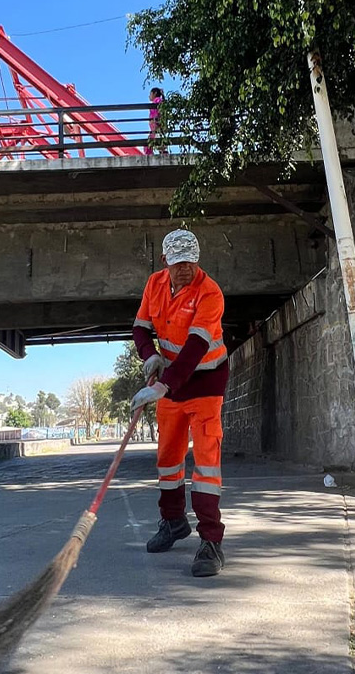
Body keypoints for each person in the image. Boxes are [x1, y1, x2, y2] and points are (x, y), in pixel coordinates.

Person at [131, 229, 229, 577]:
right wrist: (150, 357)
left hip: (205, 380)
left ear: (197, 259)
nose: (184, 268)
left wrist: (163, 386)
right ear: (165, 263)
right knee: (168, 458)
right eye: (177, 263)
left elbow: (194, 349)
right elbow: (141, 329)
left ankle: (211, 542)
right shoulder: (154, 285)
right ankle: (173, 522)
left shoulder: (210, 293)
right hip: (170, 379)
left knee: (206, 464)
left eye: (190, 261)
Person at [145, 87, 163, 155]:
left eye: (150, 94)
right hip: (155, 127)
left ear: (154, 93)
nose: (149, 96)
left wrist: (155, 120)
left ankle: (150, 155)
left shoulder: (157, 100)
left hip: (157, 126)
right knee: (152, 142)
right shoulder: (156, 101)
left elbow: (157, 112)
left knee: (156, 142)